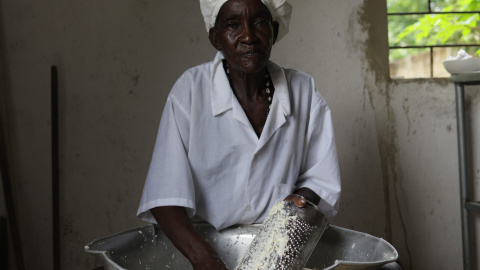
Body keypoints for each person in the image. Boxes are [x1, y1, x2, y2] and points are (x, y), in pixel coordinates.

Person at [137, 0, 341, 269]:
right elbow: (164, 195)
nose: (248, 37)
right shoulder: (190, 91)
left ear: (274, 30)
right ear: (215, 38)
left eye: (259, 22)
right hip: (200, 247)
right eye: (233, 25)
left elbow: (320, 177)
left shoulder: (303, 90)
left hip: (276, 248)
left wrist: (299, 200)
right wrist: (204, 258)